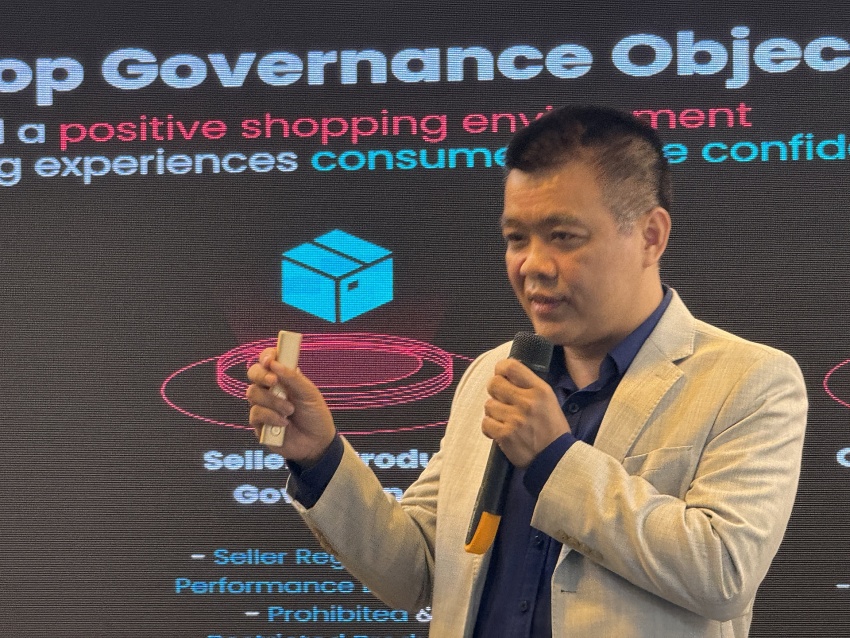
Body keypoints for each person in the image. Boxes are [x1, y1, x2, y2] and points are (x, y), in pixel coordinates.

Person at [246, 105, 807, 637]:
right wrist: (320, 457)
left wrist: (553, 460)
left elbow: (723, 572)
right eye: (516, 238)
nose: (532, 264)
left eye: (563, 236)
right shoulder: (494, 373)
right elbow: (415, 571)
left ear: (650, 236)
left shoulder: (749, 380)